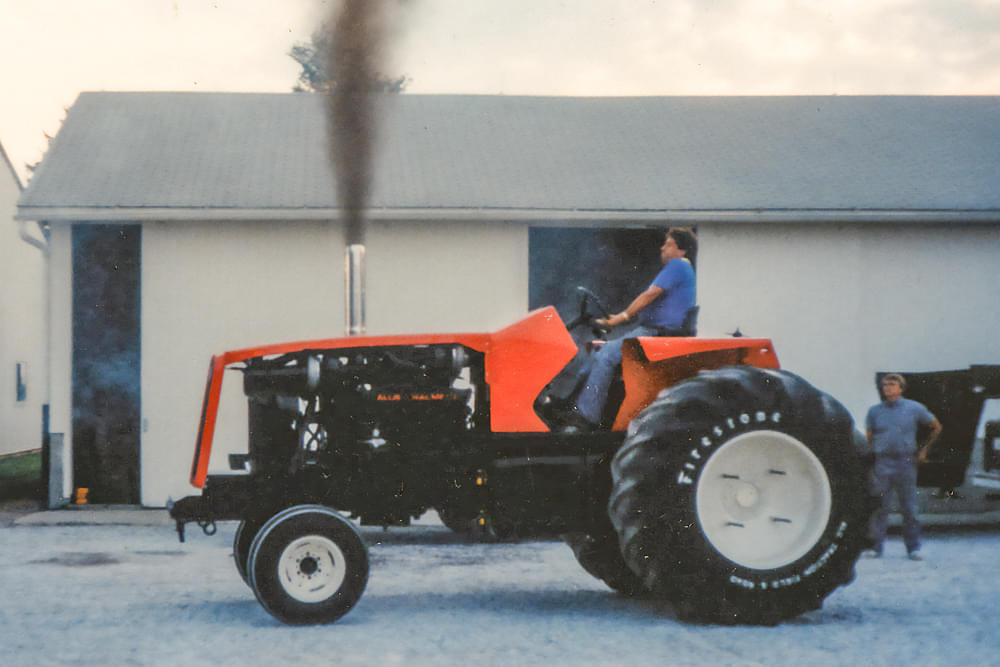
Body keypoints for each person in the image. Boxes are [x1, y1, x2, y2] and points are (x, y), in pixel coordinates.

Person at [570, 227, 697, 430]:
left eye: (669, 244)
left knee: (605, 357)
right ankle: (574, 406)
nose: (662, 248)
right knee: (598, 351)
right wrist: (618, 318)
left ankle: (585, 419)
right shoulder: (683, 270)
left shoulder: (677, 266)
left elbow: (649, 295)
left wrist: (620, 318)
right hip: (652, 330)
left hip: (655, 333)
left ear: (682, 250)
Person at [865, 373, 942, 560]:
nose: (888, 388)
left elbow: (936, 427)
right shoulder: (874, 411)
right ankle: (876, 547)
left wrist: (924, 450)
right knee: (879, 507)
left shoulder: (914, 408)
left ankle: (913, 548)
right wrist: (877, 451)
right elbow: (869, 434)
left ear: (901, 388)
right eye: (885, 385)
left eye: (892, 385)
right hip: (883, 463)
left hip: (905, 463)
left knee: (909, 508)